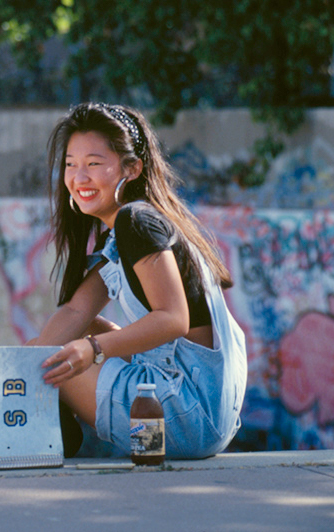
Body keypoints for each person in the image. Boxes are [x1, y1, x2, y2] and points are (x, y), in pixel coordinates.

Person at [30, 102, 247, 459]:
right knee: (60, 343)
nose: (78, 178)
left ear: (132, 168)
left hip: (185, 414)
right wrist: (14, 368)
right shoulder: (120, 235)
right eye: (70, 164)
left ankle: (42, 439)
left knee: (57, 365)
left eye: (94, 164)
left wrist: (93, 350)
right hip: (192, 409)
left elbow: (173, 319)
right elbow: (76, 311)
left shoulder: (137, 222)